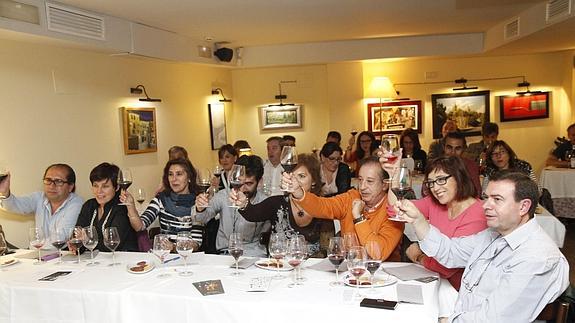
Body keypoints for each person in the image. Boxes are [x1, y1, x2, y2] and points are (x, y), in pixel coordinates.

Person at [398, 171, 569, 322]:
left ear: (524, 206)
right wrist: (418, 220)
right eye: (487, 197)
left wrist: (443, 320)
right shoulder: (494, 234)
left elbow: (493, 319)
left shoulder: (537, 257)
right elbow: (451, 251)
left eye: (497, 199)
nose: (486, 205)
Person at [286, 156, 404, 260]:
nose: (362, 187)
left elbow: (378, 253)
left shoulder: (394, 211)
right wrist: (298, 192)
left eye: (370, 181)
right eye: (360, 180)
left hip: (383, 276)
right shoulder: (352, 197)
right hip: (350, 272)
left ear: (384, 184)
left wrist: (358, 218)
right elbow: (321, 206)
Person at [403, 156, 487, 290]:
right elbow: (395, 209)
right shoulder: (435, 202)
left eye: (441, 180)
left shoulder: (479, 214)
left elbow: (448, 267)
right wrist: (394, 174)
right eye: (431, 182)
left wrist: (419, 257)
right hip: (434, 281)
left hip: (460, 291)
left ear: (459, 177)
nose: (435, 188)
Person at [233, 154, 330, 256]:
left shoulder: (322, 206)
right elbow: (252, 213)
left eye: (301, 176)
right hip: (279, 266)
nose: (294, 181)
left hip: (311, 268)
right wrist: (243, 203)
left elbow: (328, 248)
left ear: (314, 180)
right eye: (291, 176)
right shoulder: (277, 203)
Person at [194, 155, 270, 256]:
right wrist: (200, 209)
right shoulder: (223, 195)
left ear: (259, 182)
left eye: (248, 184)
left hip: (253, 255)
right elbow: (202, 219)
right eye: (240, 182)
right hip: (224, 254)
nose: (242, 189)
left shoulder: (265, 202)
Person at [122, 158, 202, 245]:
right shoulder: (161, 199)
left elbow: (196, 243)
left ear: (189, 177)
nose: (174, 179)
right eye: (170, 174)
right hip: (165, 254)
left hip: (189, 255)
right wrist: (131, 205)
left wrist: (174, 248)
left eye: (179, 174)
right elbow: (139, 226)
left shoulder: (198, 202)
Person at [0, 164, 83, 248]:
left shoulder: (76, 203)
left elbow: (60, 239)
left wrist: (33, 248)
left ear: (70, 187)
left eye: (58, 181)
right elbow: (15, 206)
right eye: (48, 180)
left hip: (64, 255)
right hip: (39, 253)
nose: (51, 186)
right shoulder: (38, 197)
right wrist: (4, 193)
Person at [75, 163, 138, 252]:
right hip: (97, 261)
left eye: (105, 186)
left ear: (116, 187)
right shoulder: (89, 205)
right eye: (95, 185)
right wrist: (75, 245)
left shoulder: (122, 207)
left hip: (124, 260)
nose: (99, 191)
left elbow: (113, 244)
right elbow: (77, 234)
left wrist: (87, 240)